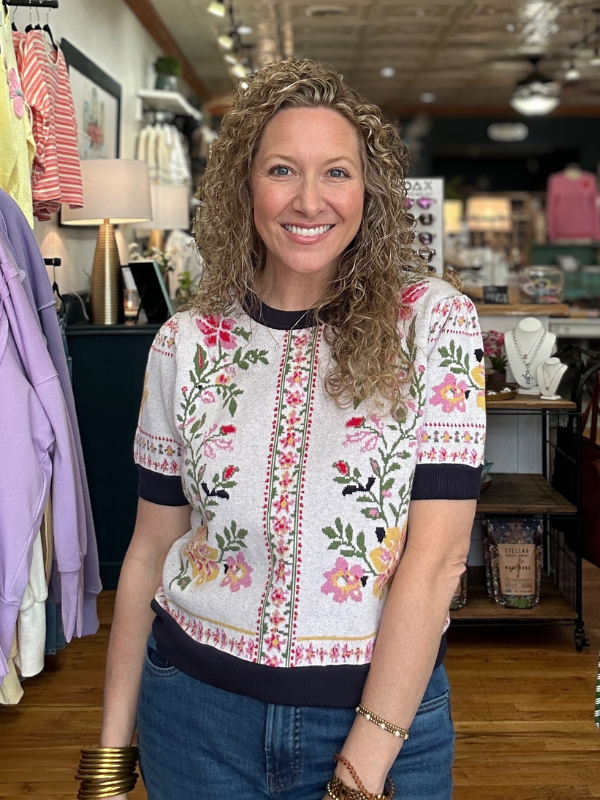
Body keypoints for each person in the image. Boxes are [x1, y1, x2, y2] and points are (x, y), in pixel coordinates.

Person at [80, 59, 486, 800]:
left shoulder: (433, 325)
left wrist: (359, 775)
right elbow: (149, 551)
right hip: (194, 718)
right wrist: (111, 756)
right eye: (281, 170)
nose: (309, 200)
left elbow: (437, 562)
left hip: (382, 725)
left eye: (336, 172)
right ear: (245, 187)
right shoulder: (186, 343)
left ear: (369, 192)